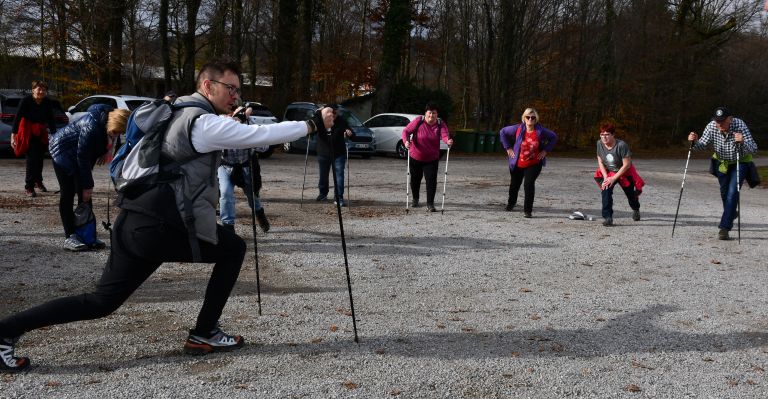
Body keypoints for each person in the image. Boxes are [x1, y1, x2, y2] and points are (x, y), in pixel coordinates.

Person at [0, 58, 334, 372]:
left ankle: (6, 331)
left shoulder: (180, 111)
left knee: (101, 302)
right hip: (157, 228)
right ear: (208, 85)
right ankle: (204, 332)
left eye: (238, 90)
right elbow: (260, 135)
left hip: (136, 221)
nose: (236, 95)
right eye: (230, 88)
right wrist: (311, 123)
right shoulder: (201, 122)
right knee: (232, 248)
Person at [48, 104, 131, 251]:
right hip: (62, 152)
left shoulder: (108, 121)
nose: (117, 134)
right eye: (116, 131)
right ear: (112, 123)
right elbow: (83, 158)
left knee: (86, 195)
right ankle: (70, 236)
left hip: (81, 154)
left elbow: (111, 138)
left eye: (120, 132)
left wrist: (106, 151)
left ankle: (87, 235)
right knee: (68, 193)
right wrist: (87, 185)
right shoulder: (92, 128)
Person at [688, 107, 759, 240]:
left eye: (722, 121)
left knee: (733, 193)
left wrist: (743, 141)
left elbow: (754, 148)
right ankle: (731, 213)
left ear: (730, 119)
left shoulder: (739, 125)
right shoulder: (711, 126)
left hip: (740, 162)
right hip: (721, 163)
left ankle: (724, 228)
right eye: (717, 121)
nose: (719, 124)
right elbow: (701, 145)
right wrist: (693, 141)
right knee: (724, 193)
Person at [499, 108, 557, 218]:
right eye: (528, 117)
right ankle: (511, 204)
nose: (530, 119)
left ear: (536, 119)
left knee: (528, 184)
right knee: (514, 185)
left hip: (534, 163)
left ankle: (527, 210)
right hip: (518, 162)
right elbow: (502, 132)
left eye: (533, 117)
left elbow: (553, 137)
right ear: (524, 118)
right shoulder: (517, 128)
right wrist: (508, 148)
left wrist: (545, 151)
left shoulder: (540, 131)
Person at [10, 80, 58, 197]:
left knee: (40, 159)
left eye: (43, 90)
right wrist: (13, 135)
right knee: (31, 160)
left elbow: (51, 119)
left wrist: (55, 135)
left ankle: (38, 181)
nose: (41, 91)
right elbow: (18, 118)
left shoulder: (47, 102)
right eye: (38, 89)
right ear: (33, 90)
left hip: (40, 132)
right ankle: (29, 187)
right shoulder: (26, 101)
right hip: (27, 132)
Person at [402, 103, 453, 212]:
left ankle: (430, 204)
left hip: (431, 159)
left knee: (431, 181)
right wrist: (406, 142)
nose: (431, 115)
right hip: (415, 156)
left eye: (434, 113)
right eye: (429, 112)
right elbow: (406, 131)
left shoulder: (440, 123)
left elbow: (445, 135)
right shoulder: (418, 121)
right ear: (425, 113)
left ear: (437, 114)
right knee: (415, 180)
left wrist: (447, 141)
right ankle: (415, 199)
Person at [594, 123, 644, 226]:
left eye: (607, 134)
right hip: (610, 172)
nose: (604, 137)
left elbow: (626, 165)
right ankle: (608, 217)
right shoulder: (599, 144)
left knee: (631, 195)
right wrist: (606, 177)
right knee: (606, 189)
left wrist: (613, 178)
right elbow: (600, 162)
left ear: (613, 135)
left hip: (625, 172)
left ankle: (636, 209)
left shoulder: (621, 145)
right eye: (602, 134)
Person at [218, 146, 270, 233]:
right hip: (225, 165)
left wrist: (253, 142)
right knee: (225, 192)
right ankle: (228, 227)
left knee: (252, 195)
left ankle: (259, 213)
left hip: (247, 165)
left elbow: (265, 147)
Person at [315, 105, 353, 206]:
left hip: (338, 153)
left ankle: (339, 197)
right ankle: (323, 193)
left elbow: (352, 133)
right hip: (323, 152)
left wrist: (349, 133)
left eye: (336, 113)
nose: (334, 115)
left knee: (339, 175)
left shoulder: (341, 121)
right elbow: (311, 128)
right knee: (323, 175)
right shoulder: (320, 120)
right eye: (332, 113)